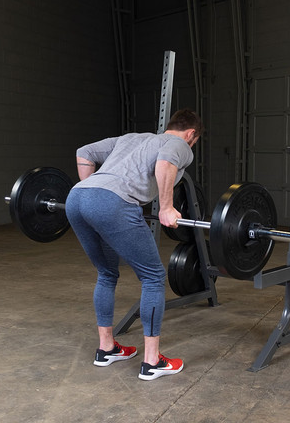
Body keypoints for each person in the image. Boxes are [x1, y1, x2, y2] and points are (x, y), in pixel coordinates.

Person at [65, 108, 203, 381]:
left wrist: (95, 193)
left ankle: (107, 349)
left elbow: (84, 152)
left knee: (106, 273)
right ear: (191, 134)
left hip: (76, 198)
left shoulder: (130, 138)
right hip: (113, 204)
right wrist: (166, 207)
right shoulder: (179, 144)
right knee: (153, 277)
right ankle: (152, 363)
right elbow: (166, 161)